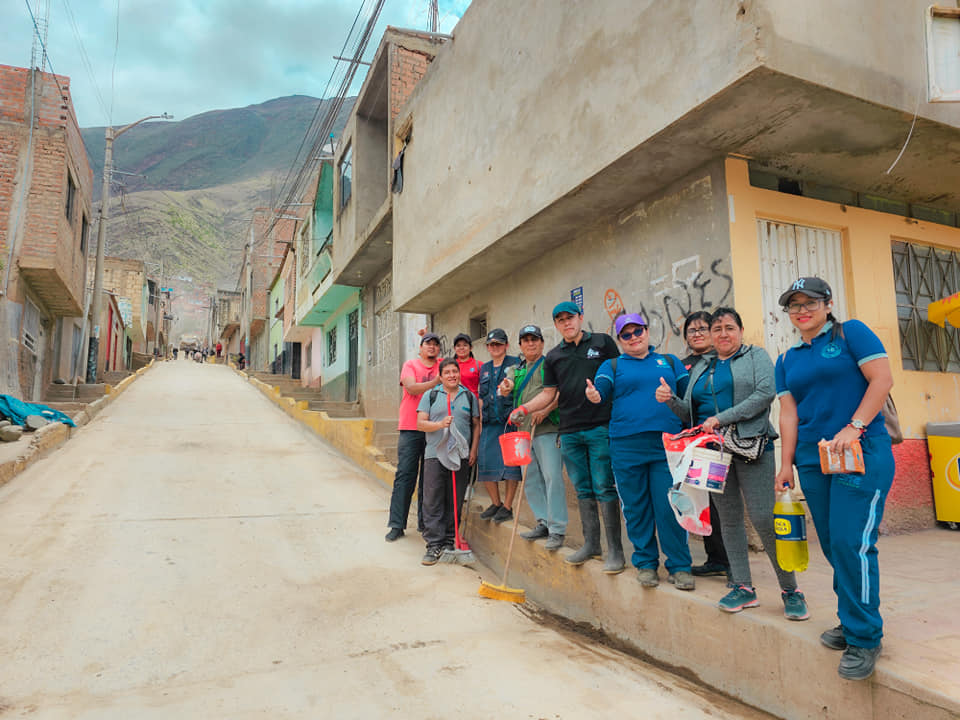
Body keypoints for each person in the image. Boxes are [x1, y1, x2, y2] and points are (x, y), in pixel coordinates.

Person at [773, 277, 894, 681]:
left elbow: (882, 380)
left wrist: (855, 426)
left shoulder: (851, 333)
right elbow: (789, 414)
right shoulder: (787, 359)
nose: (801, 310)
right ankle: (851, 618)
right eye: (793, 305)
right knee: (832, 544)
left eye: (809, 302)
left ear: (827, 304)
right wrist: (785, 463)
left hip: (861, 451)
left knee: (851, 542)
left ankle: (864, 637)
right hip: (812, 458)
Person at [658, 307, 808, 620]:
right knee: (728, 519)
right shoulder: (703, 366)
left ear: (740, 330)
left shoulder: (756, 356)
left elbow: (765, 394)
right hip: (713, 452)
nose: (723, 334)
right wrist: (671, 399)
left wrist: (721, 418)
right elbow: (692, 413)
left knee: (765, 519)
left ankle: (791, 590)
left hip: (752, 446)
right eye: (717, 329)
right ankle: (743, 586)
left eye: (729, 327)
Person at [510, 301, 624, 574]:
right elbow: (549, 393)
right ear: (557, 325)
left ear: (580, 318)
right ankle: (591, 545)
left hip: (600, 427)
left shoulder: (603, 342)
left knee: (604, 487)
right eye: (560, 320)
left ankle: (616, 551)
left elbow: (620, 373)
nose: (567, 323)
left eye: (570, 318)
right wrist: (525, 408)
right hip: (570, 431)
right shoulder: (553, 356)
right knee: (583, 489)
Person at [587, 313, 692, 588]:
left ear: (647, 332)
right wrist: (595, 395)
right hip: (626, 446)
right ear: (620, 340)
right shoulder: (612, 365)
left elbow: (689, 399)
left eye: (638, 332)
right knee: (635, 507)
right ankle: (645, 563)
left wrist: (672, 399)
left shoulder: (670, 362)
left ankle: (679, 566)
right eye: (626, 334)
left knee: (669, 506)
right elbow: (601, 390)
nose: (634, 338)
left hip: (666, 446)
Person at [497, 324, 567, 550]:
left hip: (547, 429)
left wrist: (545, 410)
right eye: (526, 340)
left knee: (552, 477)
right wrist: (504, 388)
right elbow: (504, 387)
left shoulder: (549, 365)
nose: (530, 343)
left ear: (542, 342)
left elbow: (559, 392)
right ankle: (543, 522)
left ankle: (557, 529)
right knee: (531, 479)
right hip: (523, 432)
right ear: (520, 345)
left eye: (534, 339)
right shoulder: (516, 369)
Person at [416, 358, 481, 565]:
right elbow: (420, 424)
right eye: (448, 372)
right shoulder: (431, 395)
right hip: (434, 455)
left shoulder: (469, 397)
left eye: (455, 371)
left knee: (455, 499)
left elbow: (476, 426)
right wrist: (440, 424)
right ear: (441, 376)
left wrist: (473, 450)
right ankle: (433, 544)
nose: (452, 375)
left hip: (460, 456)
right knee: (432, 499)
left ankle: (448, 542)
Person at [682, 311, 731, 579]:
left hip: (727, 439)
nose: (698, 334)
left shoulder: (723, 359)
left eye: (703, 328)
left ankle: (734, 563)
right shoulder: (682, 365)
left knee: (726, 503)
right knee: (706, 502)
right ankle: (717, 558)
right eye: (692, 330)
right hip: (697, 442)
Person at [385, 332, 442, 542]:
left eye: (436, 344)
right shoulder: (411, 365)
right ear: (420, 348)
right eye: (428, 343)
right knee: (405, 476)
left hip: (434, 428)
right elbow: (411, 387)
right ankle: (397, 525)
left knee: (430, 478)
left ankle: (424, 523)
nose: (432, 347)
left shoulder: (442, 364)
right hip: (410, 427)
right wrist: (436, 381)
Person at [477, 329, 521, 523]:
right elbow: (481, 396)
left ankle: (507, 506)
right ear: (487, 347)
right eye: (491, 344)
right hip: (488, 423)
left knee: (511, 467)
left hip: (509, 422)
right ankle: (495, 503)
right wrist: (478, 417)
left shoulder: (515, 364)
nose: (495, 347)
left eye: (498, 344)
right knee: (485, 464)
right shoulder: (484, 368)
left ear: (506, 345)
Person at [452, 333, 482, 397]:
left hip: (473, 402)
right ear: (454, 348)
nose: (461, 348)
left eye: (465, 345)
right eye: (458, 345)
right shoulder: (450, 365)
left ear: (471, 347)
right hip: (453, 403)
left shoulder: (478, 365)